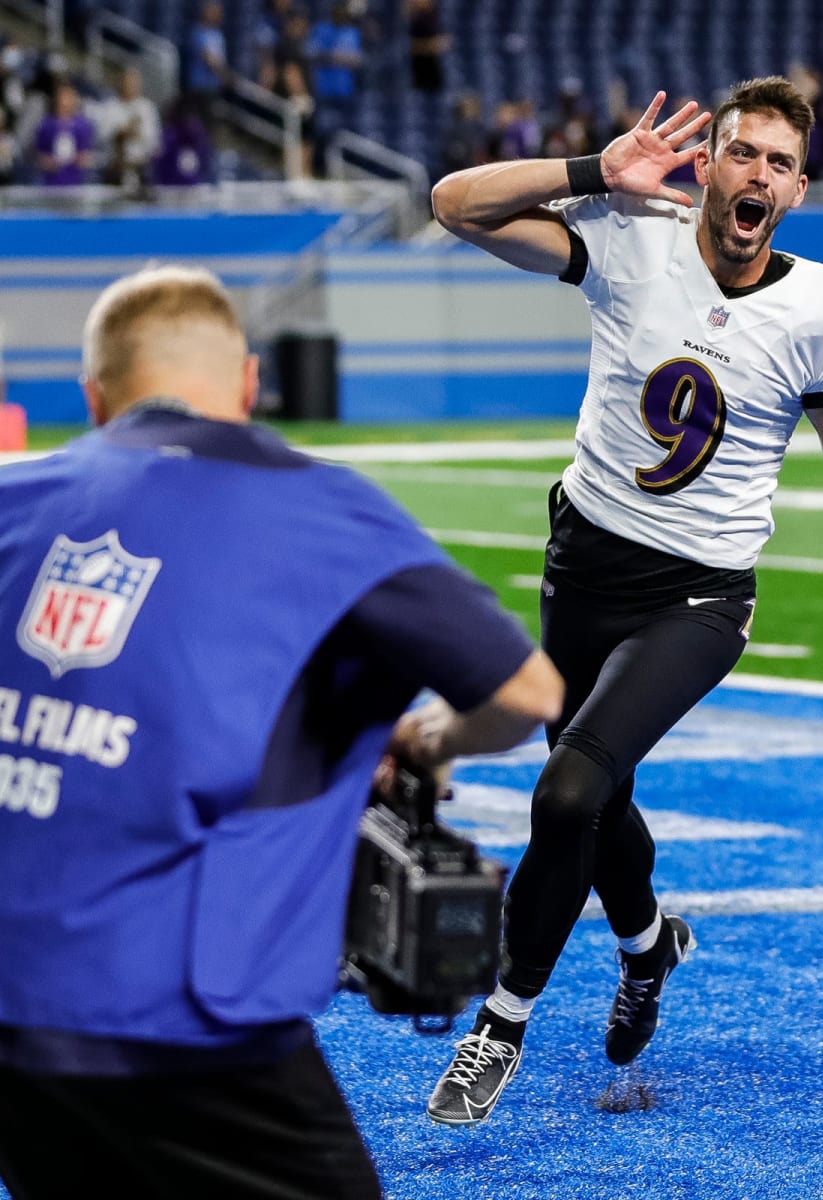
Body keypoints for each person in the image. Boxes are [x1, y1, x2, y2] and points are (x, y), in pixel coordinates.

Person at [426, 76, 823, 1125]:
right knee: (603, 793)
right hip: (583, 564)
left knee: (566, 794)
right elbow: (455, 204)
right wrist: (595, 170)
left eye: (779, 162)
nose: (758, 174)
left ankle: (501, 1022)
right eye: (742, 153)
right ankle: (649, 947)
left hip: (698, 597)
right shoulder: (634, 240)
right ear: (706, 167)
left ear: (798, 190)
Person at [0, 265, 563, 1198]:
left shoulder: (17, 501)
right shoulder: (317, 507)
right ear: (252, 385)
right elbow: (526, 690)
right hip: (183, 1024)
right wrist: (421, 741)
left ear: (94, 396)